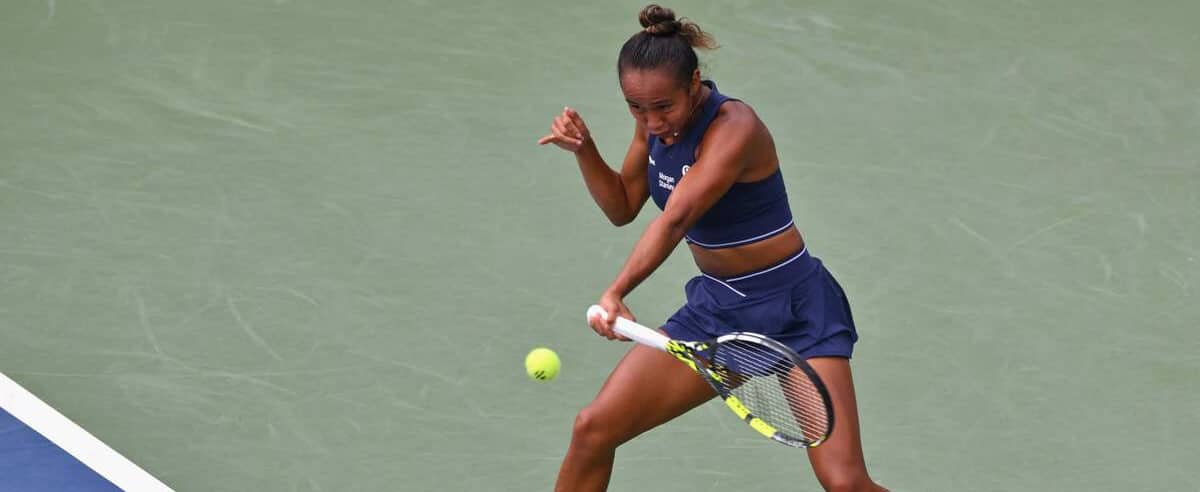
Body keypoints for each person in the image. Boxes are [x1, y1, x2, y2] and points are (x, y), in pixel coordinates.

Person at [538, 5, 888, 491]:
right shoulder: (653, 126)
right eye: (636, 108)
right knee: (592, 430)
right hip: (719, 313)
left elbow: (677, 218)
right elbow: (622, 205)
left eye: (663, 107)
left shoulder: (734, 127)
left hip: (798, 309)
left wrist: (616, 290)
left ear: (694, 83)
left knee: (845, 483)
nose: (651, 120)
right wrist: (585, 151)